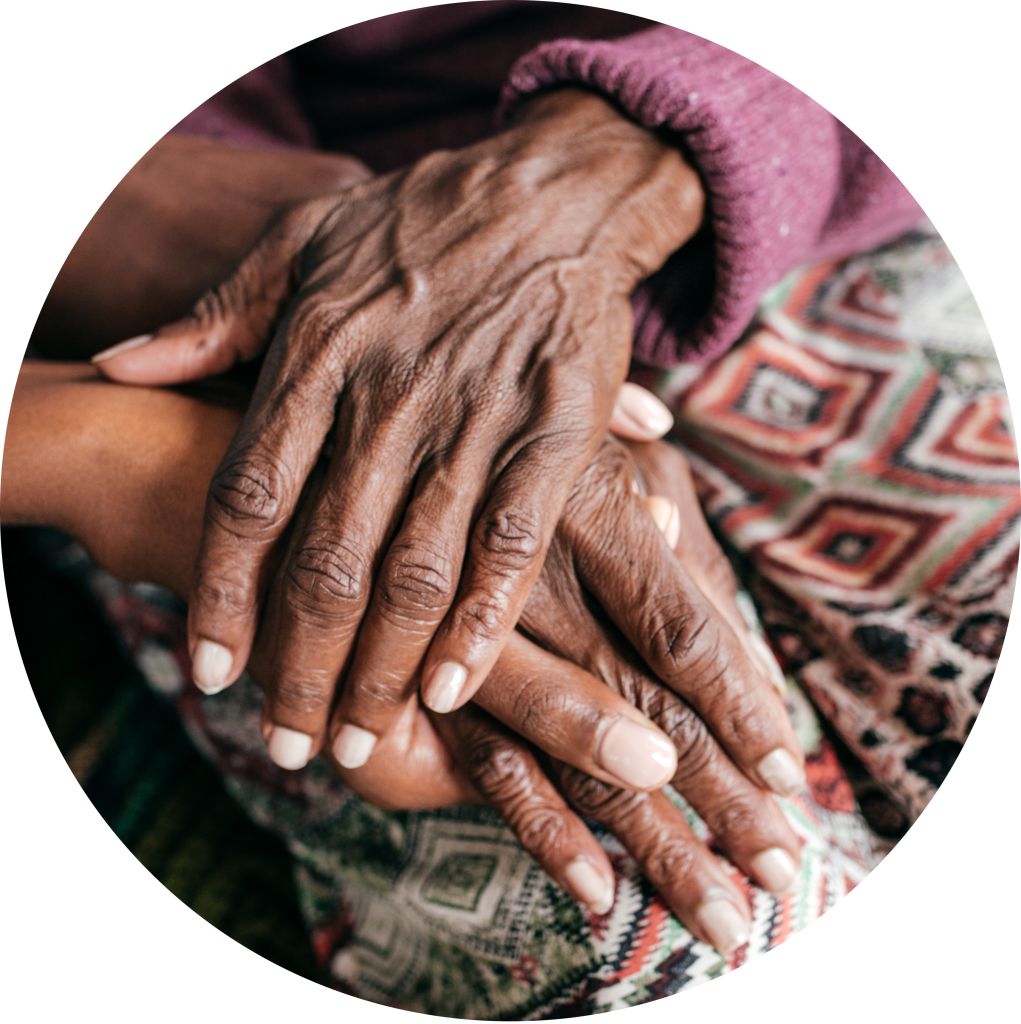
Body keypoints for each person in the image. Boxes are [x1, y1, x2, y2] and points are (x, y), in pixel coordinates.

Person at [17, 7, 1011, 1016]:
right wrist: (171, 429)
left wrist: (614, 164)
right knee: (636, 944)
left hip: (801, 214)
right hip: (227, 291)